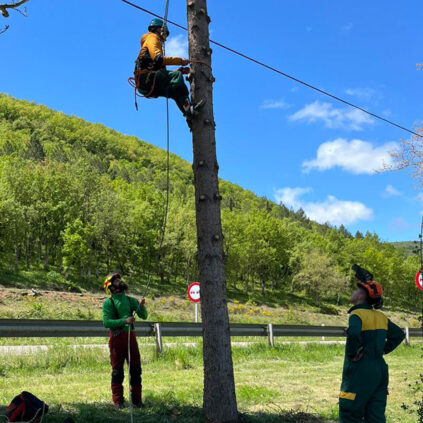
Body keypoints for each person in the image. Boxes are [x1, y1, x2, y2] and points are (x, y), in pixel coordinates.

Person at [338, 265, 405, 423]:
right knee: (375, 416)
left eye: (356, 291)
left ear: (361, 296)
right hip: (379, 370)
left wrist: (353, 354)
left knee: (350, 413)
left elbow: (354, 333)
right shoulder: (381, 317)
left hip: (360, 370)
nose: (353, 292)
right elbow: (399, 335)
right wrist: (383, 350)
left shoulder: (357, 314)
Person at [134, 18, 204, 127]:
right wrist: (180, 61)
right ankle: (189, 109)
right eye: (164, 35)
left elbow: (162, 73)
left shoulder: (151, 42)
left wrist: (177, 70)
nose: (164, 39)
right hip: (146, 78)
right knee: (176, 77)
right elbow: (158, 59)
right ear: (159, 30)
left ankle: (188, 115)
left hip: (146, 84)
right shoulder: (152, 37)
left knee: (174, 91)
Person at [102, 273, 148, 409]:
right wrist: (124, 320)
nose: (119, 281)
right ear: (110, 287)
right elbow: (106, 322)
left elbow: (144, 316)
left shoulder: (130, 300)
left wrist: (141, 307)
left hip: (131, 337)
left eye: (119, 279)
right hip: (116, 340)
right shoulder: (108, 303)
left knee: (135, 370)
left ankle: (137, 401)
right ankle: (118, 402)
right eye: (116, 280)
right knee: (117, 371)